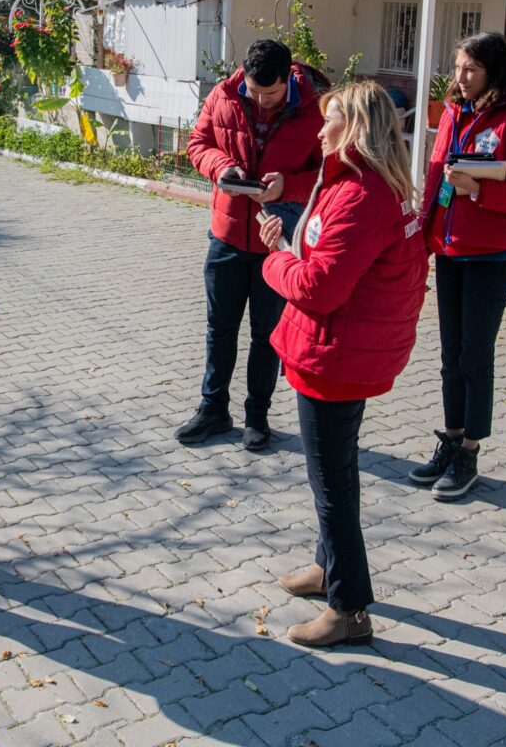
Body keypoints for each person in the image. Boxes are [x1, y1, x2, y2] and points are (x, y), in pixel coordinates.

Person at [259, 80, 427, 647]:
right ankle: (327, 566)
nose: (318, 130)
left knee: (331, 484)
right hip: (343, 348)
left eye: (329, 119)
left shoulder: (361, 194)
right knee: (336, 472)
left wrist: (274, 260)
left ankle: (349, 610)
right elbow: (330, 259)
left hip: (336, 356)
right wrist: (290, 245)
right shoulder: (362, 182)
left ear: (354, 127)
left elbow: (320, 287)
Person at [410, 31, 506, 501]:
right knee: (450, 355)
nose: (460, 77)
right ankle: (451, 440)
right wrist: (423, 235)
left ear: (494, 70)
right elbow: (437, 175)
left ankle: (470, 451)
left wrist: (480, 190)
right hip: (449, 250)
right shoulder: (454, 110)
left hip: (493, 254)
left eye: (470, 69)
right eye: (457, 68)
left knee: (474, 355)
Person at [177, 39, 326, 451]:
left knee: (267, 334)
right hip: (225, 236)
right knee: (219, 328)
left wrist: (287, 186)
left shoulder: (316, 108)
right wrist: (222, 167)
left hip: (276, 244)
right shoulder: (224, 94)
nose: (261, 101)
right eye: (255, 92)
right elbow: (197, 144)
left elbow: (327, 172)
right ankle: (213, 409)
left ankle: (257, 416)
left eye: (271, 94)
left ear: (288, 78)